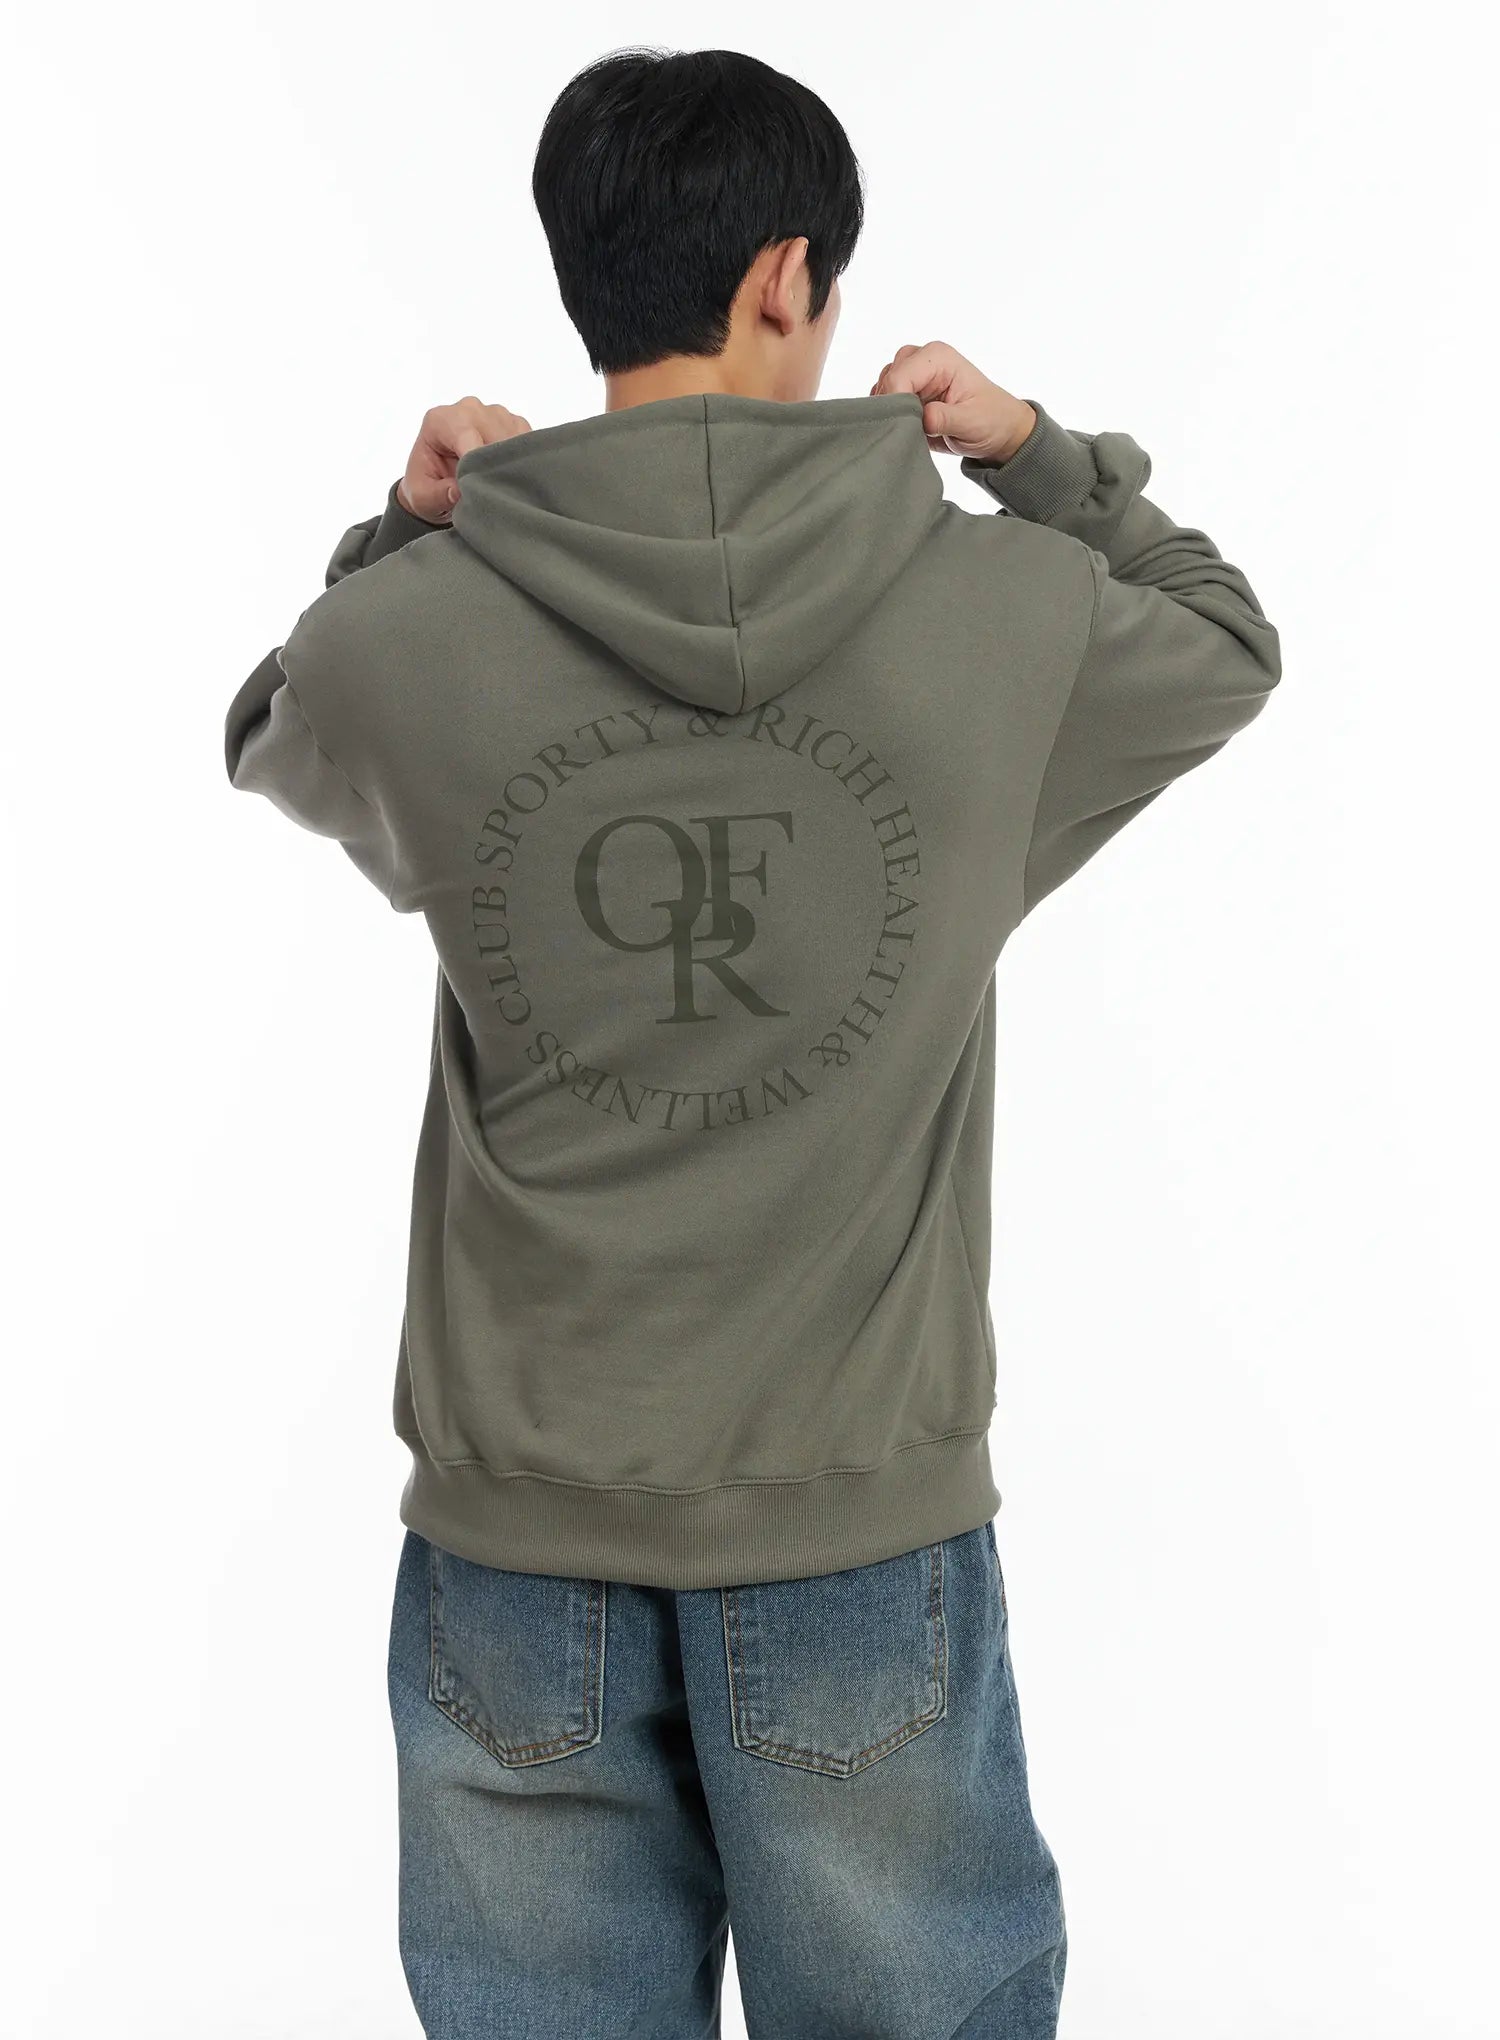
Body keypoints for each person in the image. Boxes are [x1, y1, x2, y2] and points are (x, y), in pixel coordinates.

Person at [224, 43, 1281, 2040]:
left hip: (514, 1548)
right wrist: (1034, 453)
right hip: (856, 1529)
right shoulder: (1003, 612)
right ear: (790, 277)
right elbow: (1225, 637)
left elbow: (275, 727)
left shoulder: (413, 639)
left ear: (585, 273)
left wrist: (407, 530)